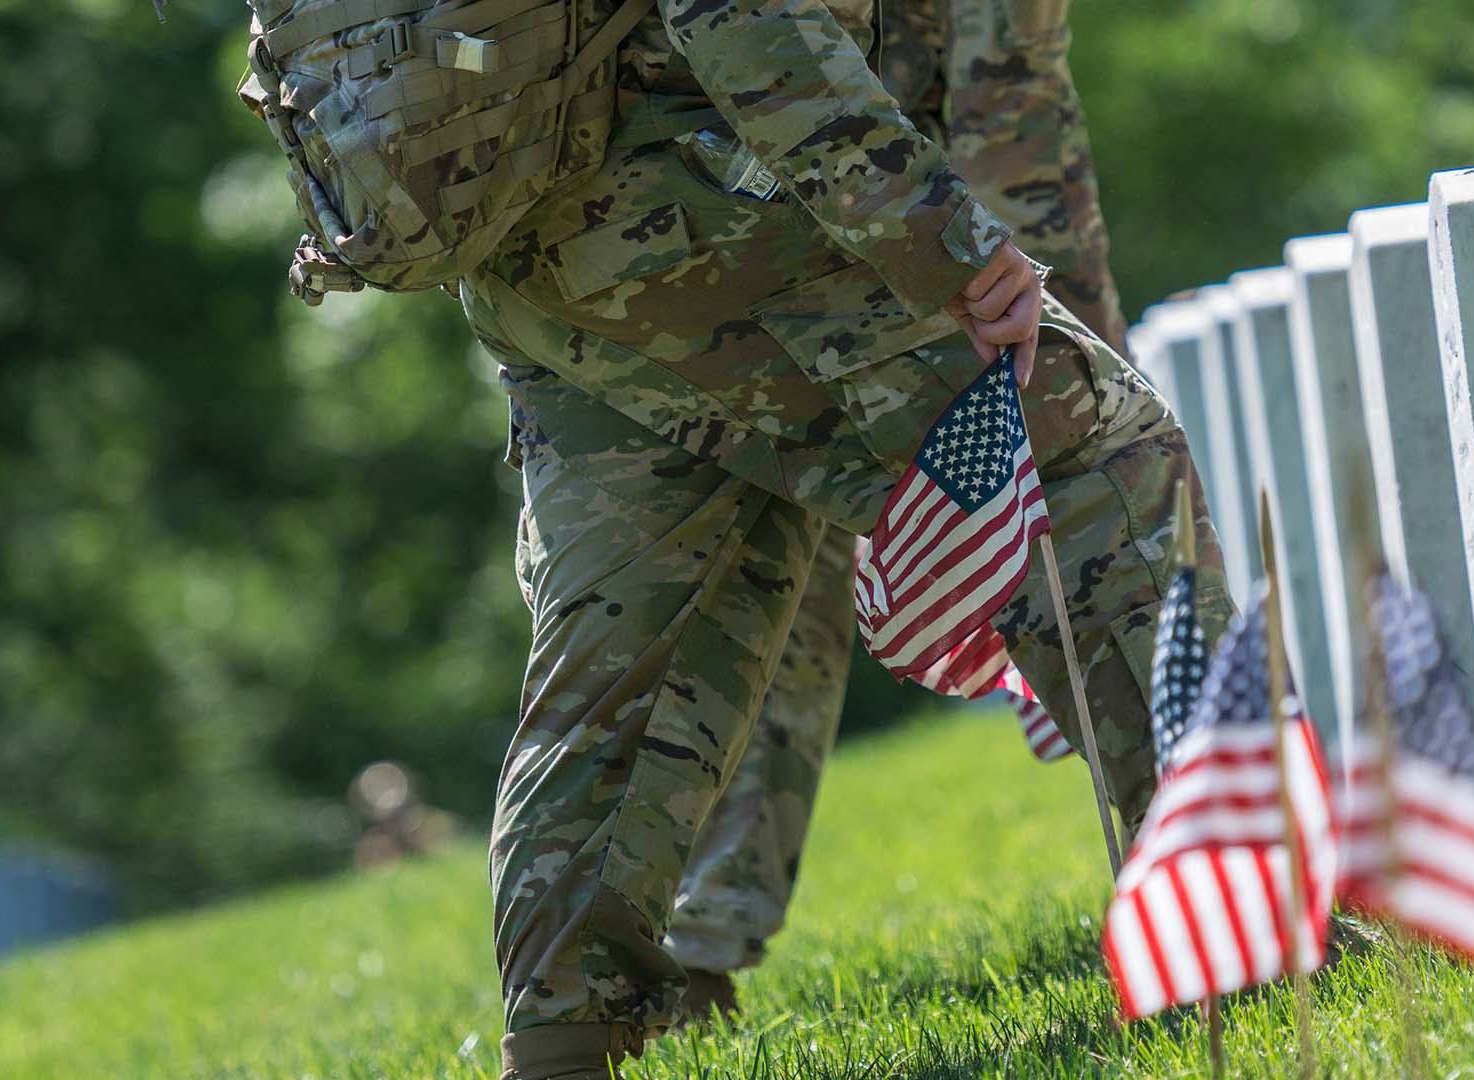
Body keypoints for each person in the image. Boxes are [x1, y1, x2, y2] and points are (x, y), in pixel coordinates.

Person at [456, 1, 1238, 1074]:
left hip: (539, 238)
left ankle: (562, 1046)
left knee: (643, 622)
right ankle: (1242, 907)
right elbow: (763, 21)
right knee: (1096, 446)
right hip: (716, 198)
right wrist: (949, 248)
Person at [661, 0, 1135, 1022]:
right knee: (771, 565)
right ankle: (1223, 875)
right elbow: (1013, 109)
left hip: (680, 205)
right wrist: (1069, 347)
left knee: (759, 559)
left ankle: (691, 951)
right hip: (859, 202)